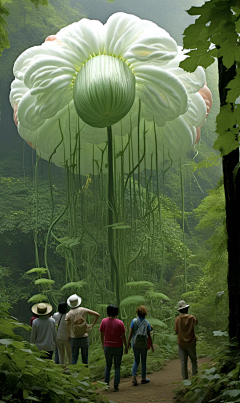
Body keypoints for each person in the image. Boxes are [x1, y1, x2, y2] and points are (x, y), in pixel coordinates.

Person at [99, 304, 128, 392]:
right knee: (117, 366)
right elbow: (123, 336)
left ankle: (106, 385)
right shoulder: (120, 323)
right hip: (118, 347)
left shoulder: (104, 321)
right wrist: (126, 346)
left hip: (107, 346)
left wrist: (103, 344)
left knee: (108, 365)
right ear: (116, 312)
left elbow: (101, 333)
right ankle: (116, 386)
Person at [65, 293, 99, 365]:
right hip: (84, 337)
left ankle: (74, 374)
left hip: (74, 338)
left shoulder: (69, 314)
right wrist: (92, 325)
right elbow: (97, 314)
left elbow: (66, 325)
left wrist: (69, 335)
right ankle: (85, 375)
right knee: (85, 359)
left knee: (74, 358)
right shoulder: (83, 310)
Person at [128, 305, 154, 386]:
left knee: (136, 360)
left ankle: (133, 378)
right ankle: (143, 378)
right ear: (145, 314)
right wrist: (152, 346)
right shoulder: (147, 323)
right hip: (144, 344)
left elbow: (131, 333)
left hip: (135, 343)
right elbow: (149, 335)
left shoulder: (134, 321)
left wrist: (128, 342)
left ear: (137, 313)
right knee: (143, 361)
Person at [175, 300, 198, 379]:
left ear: (180, 310)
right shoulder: (192, 317)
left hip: (181, 342)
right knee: (194, 361)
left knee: (183, 362)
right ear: (186, 309)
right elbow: (196, 323)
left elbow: (176, 331)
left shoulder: (177, 319)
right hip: (191, 342)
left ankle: (185, 380)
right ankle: (194, 379)